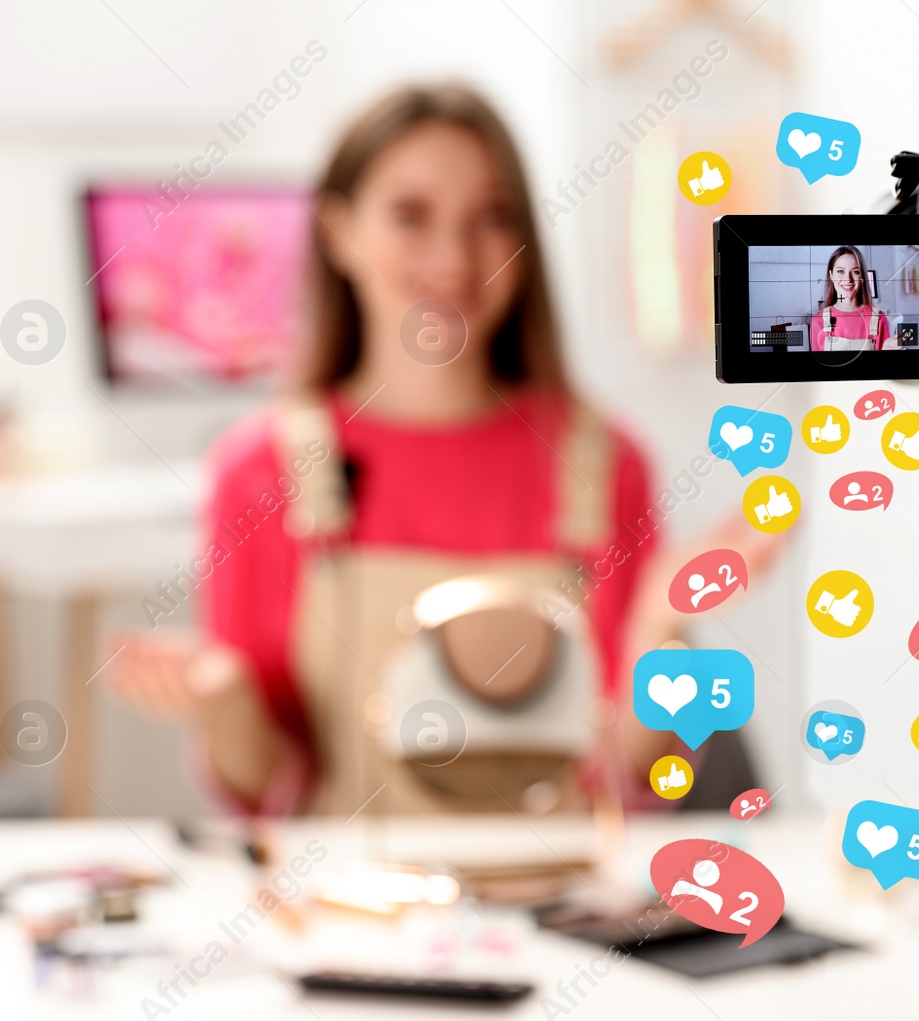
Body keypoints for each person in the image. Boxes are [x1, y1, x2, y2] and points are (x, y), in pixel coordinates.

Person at [103, 85, 699, 816]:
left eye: (490, 218)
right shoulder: (256, 470)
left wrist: (665, 639)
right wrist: (222, 702)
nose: (452, 256)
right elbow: (268, 793)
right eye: (410, 216)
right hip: (349, 918)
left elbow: (636, 781)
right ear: (339, 231)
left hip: (558, 916)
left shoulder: (606, 461)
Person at [810, 245, 889, 352]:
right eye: (840, 271)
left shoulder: (878, 318)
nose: (848, 279)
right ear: (831, 275)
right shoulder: (818, 320)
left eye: (856, 272)